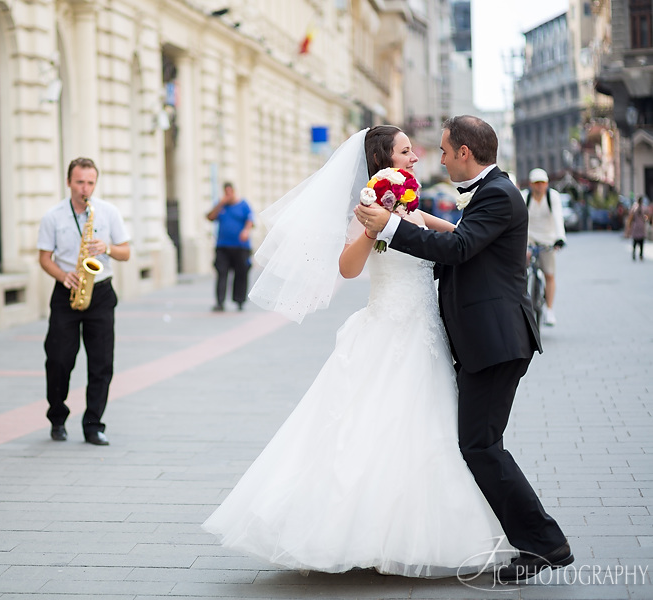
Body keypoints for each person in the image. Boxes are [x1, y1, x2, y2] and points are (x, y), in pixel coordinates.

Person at [203, 126, 516, 577]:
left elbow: (461, 244)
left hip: (426, 331)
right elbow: (347, 270)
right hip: (386, 327)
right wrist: (374, 227)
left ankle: (420, 532)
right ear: (383, 160)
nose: (416, 156)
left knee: (432, 430)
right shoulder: (365, 211)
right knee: (370, 425)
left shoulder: (417, 210)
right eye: (406, 151)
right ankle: (357, 534)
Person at [356, 116, 572, 583]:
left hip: (496, 341)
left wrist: (392, 227)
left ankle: (545, 543)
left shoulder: (496, 193)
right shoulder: (490, 191)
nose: (440, 157)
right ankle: (539, 541)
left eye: (446, 150)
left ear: (466, 154)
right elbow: (464, 246)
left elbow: (460, 250)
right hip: (485, 340)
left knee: (480, 446)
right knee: (481, 445)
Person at [37, 158, 130, 446]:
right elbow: (43, 258)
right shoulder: (53, 216)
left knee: (102, 363)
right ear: (68, 182)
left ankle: (93, 425)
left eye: (90, 182)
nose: (84, 188)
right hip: (67, 291)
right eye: (79, 182)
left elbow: (126, 252)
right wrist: (63, 276)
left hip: (100, 293)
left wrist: (108, 247)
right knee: (59, 360)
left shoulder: (108, 212)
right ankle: (57, 416)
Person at [522, 168, 566, 326]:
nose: (539, 187)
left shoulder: (552, 196)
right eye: (536, 183)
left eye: (542, 183)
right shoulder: (525, 197)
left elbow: (558, 218)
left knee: (549, 275)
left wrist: (560, 238)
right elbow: (520, 221)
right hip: (529, 239)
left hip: (548, 240)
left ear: (547, 184)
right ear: (530, 184)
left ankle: (549, 310)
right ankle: (523, 307)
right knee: (522, 273)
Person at [206, 182, 254, 311]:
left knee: (241, 273)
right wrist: (220, 203)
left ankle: (239, 301)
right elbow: (210, 217)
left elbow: (250, 220)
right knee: (221, 273)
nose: (228, 195)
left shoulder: (243, 205)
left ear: (234, 191)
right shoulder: (221, 206)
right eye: (226, 192)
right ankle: (220, 302)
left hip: (241, 246)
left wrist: (245, 231)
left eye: (230, 192)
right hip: (223, 246)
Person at [626, 196, 648, 261]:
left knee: (635, 241)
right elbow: (646, 217)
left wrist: (629, 226)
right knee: (641, 242)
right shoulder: (644, 208)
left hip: (635, 226)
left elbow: (630, 217)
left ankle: (634, 254)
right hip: (641, 226)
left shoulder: (634, 208)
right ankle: (641, 255)